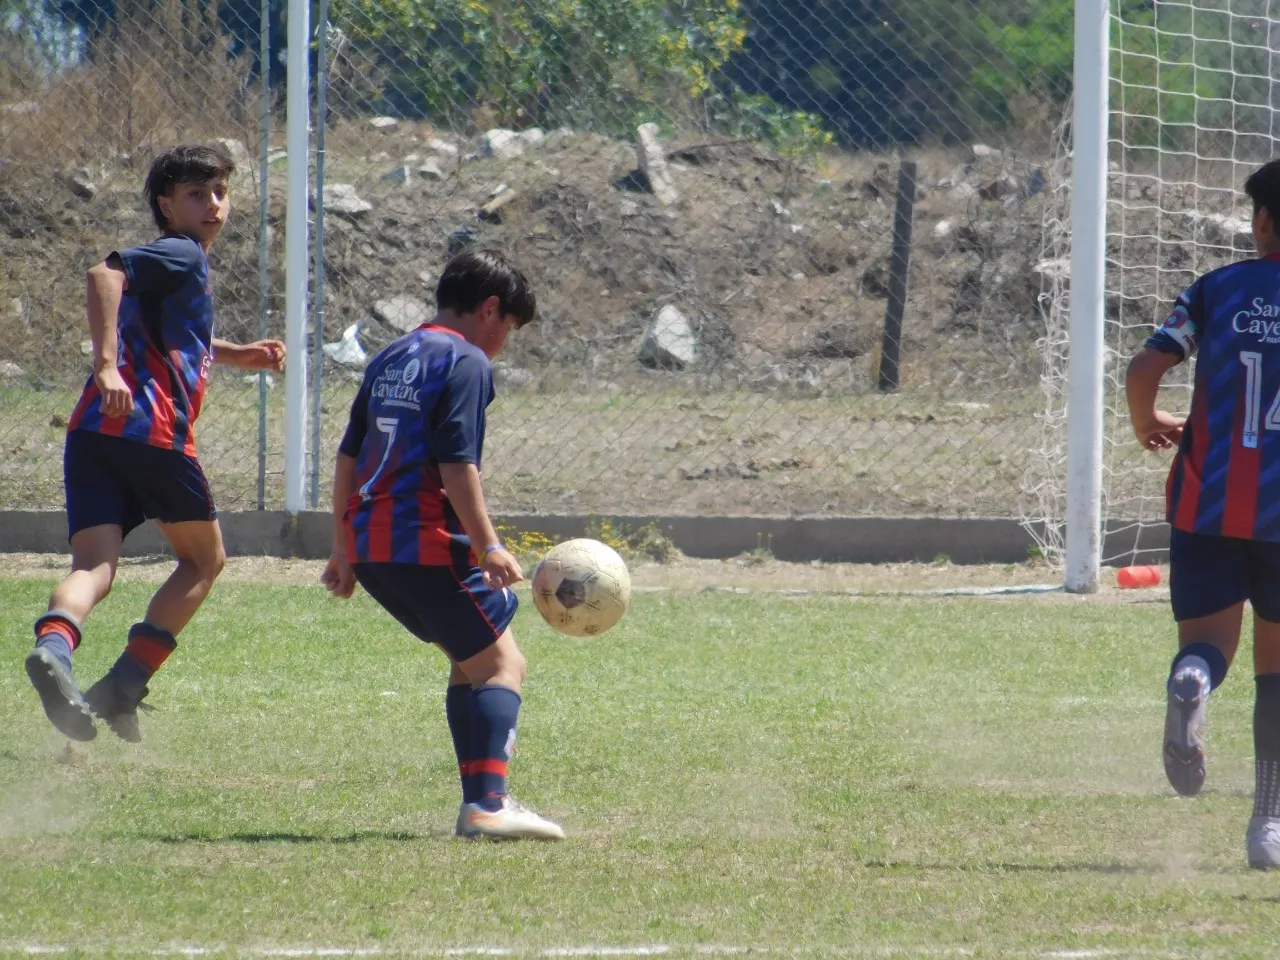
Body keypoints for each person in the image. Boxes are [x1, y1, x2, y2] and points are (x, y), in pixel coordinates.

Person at [24, 144, 286, 744]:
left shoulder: (175, 265)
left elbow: (172, 332)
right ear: (167, 206)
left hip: (93, 433)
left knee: (94, 565)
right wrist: (108, 365)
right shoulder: (182, 252)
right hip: (152, 434)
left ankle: (54, 649)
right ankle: (123, 685)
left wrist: (235, 353)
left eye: (219, 191)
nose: (213, 204)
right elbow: (103, 274)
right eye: (197, 194)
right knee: (203, 560)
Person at [321, 249, 563, 841]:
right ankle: (486, 806)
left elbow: (349, 454)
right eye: (508, 327)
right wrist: (488, 545)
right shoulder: (467, 361)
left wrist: (343, 547)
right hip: (424, 541)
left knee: (470, 660)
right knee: (504, 665)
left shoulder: (392, 355)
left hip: (376, 546)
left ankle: (482, 800)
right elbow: (458, 466)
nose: (504, 341)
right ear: (489, 309)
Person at [1126, 158, 1280, 870]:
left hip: (1207, 503)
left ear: (1262, 223)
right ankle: (1267, 827)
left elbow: (1143, 368)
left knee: (1209, 644)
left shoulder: (1217, 290)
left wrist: (1146, 422)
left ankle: (1192, 681)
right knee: (1276, 673)